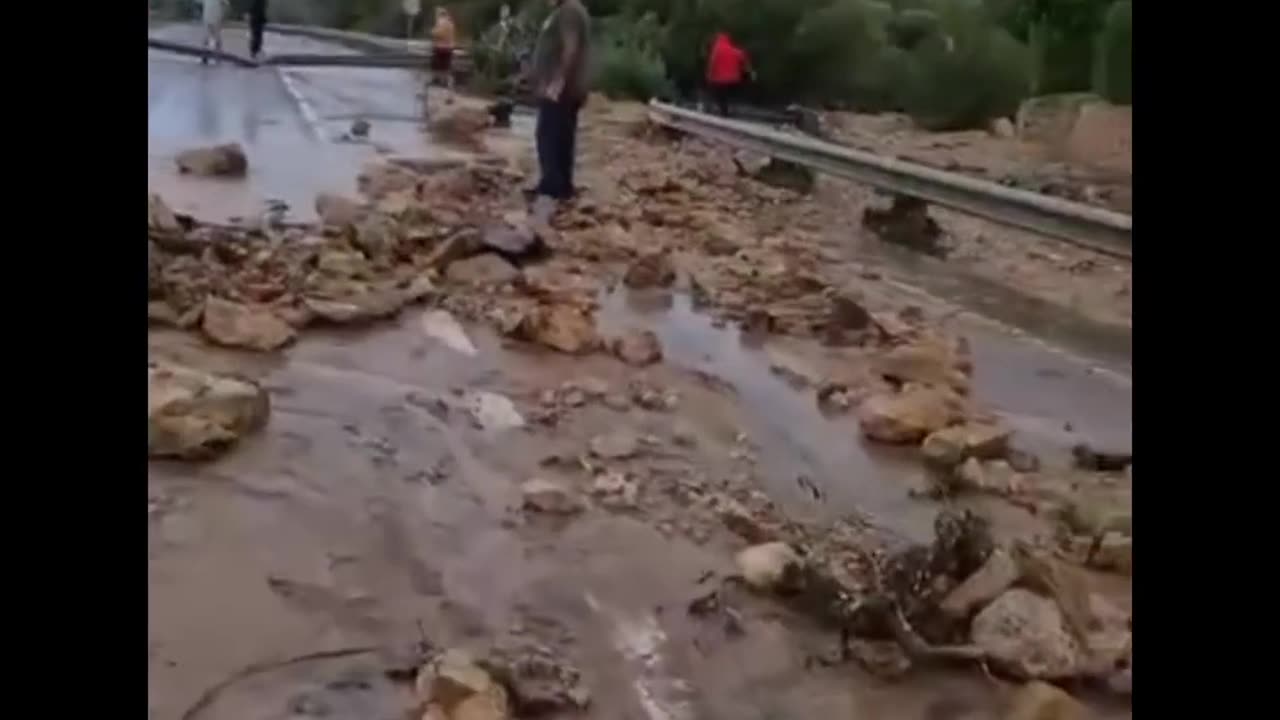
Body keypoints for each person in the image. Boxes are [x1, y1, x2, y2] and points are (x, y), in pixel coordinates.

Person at [529, 0, 591, 204]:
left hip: (561, 89)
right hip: (566, 89)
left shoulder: (569, 11)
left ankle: (551, 186)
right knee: (563, 136)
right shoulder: (567, 10)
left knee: (547, 134)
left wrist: (557, 81)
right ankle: (563, 186)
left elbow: (570, 48)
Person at [706, 32, 750, 117]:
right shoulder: (734, 50)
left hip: (719, 80)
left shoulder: (717, 50)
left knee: (719, 94)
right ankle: (730, 109)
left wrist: (709, 75)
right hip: (734, 79)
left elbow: (712, 63)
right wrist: (748, 71)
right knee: (729, 93)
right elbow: (743, 57)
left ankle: (723, 112)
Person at [430, 7, 458, 92]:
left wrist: (432, 32)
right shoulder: (450, 22)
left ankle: (438, 80)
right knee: (446, 65)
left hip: (440, 47)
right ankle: (445, 81)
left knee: (437, 64)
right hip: (449, 47)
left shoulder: (441, 21)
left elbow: (439, 33)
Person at [201, 0, 227, 65]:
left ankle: (205, 56)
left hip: (207, 17)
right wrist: (222, 16)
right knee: (217, 38)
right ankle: (217, 57)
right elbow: (225, 5)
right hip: (216, 18)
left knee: (207, 37)